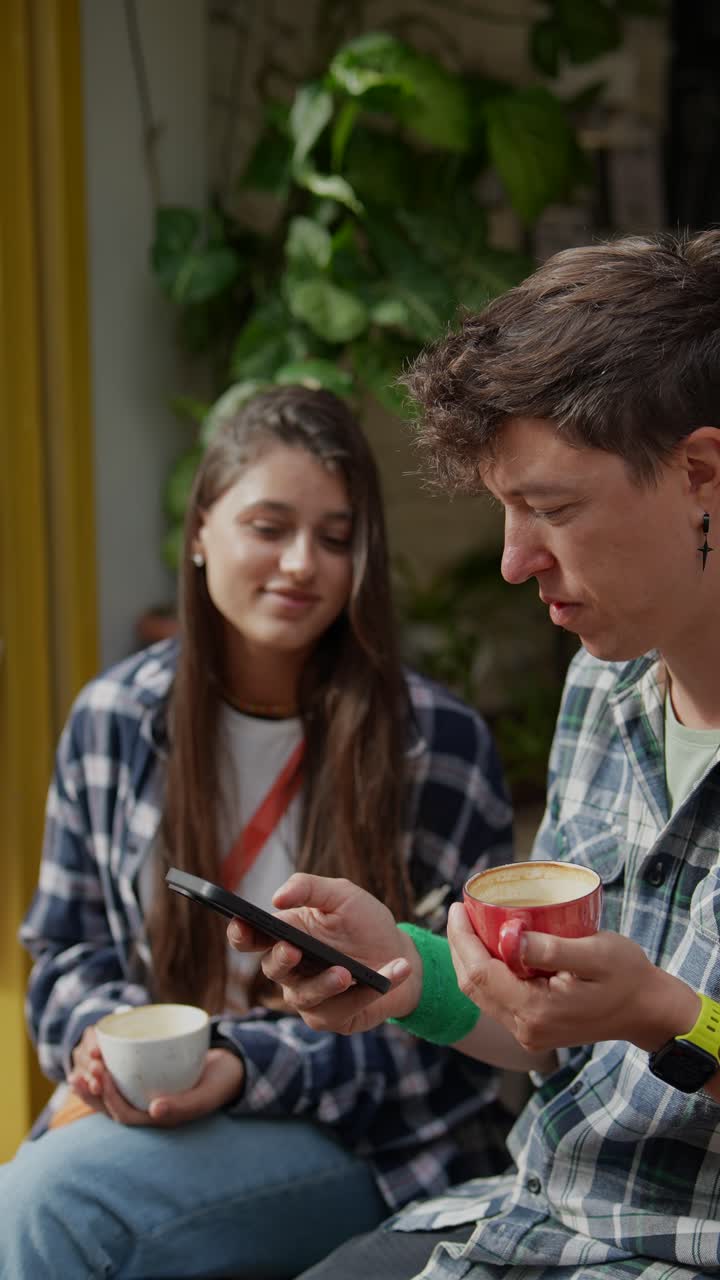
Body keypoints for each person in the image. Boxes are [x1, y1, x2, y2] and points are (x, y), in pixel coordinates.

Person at [229, 229, 720, 1280]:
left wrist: (671, 1017)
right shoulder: (604, 687)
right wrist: (409, 969)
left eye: (552, 508)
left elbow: (642, 1014)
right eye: (506, 510)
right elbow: (552, 1031)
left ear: (700, 474)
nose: (513, 559)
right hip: (534, 1218)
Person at [0, 386, 514, 1279]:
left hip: (371, 1142)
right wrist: (104, 1042)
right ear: (201, 531)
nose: (302, 564)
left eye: (336, 538)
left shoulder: (434, 743)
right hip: (154, 1113)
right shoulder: (115, 718)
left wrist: (239, 1061)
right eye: (269, 527)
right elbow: (65, 951)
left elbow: (452, 1020)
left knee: (52, 1204)